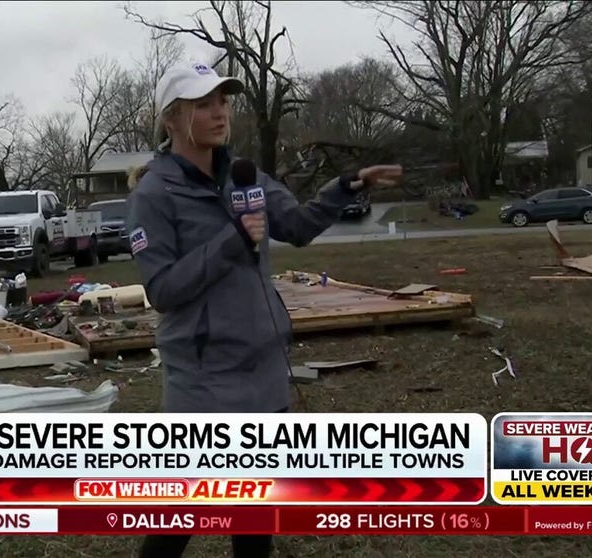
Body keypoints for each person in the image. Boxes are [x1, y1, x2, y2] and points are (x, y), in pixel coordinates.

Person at [126, 61, 402, 558]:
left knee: (255, 521)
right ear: (171, 119)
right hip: (204, 382)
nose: (219, 113)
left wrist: (346, 187)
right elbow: (163, 289)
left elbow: (295, 225)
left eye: (223, 102)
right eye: (203, 104)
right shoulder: (154, 194)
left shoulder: (244, 175)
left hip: (265, 370)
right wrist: (232, 240)